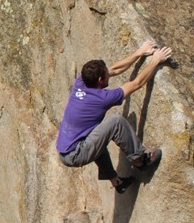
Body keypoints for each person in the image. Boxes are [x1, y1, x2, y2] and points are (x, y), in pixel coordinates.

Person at [56, 40, 173, 193]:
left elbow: (115, 69)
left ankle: (117, 181)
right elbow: (137, 84)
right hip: (75, 154)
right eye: (106, 75)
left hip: (66, 149)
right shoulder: (103, 98)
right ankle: (140, 161)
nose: (109, 74)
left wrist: (139, 52)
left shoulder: (82, 82)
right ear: (100, 80)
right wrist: (156, 60)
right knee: (115, 122)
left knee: (97, 133)